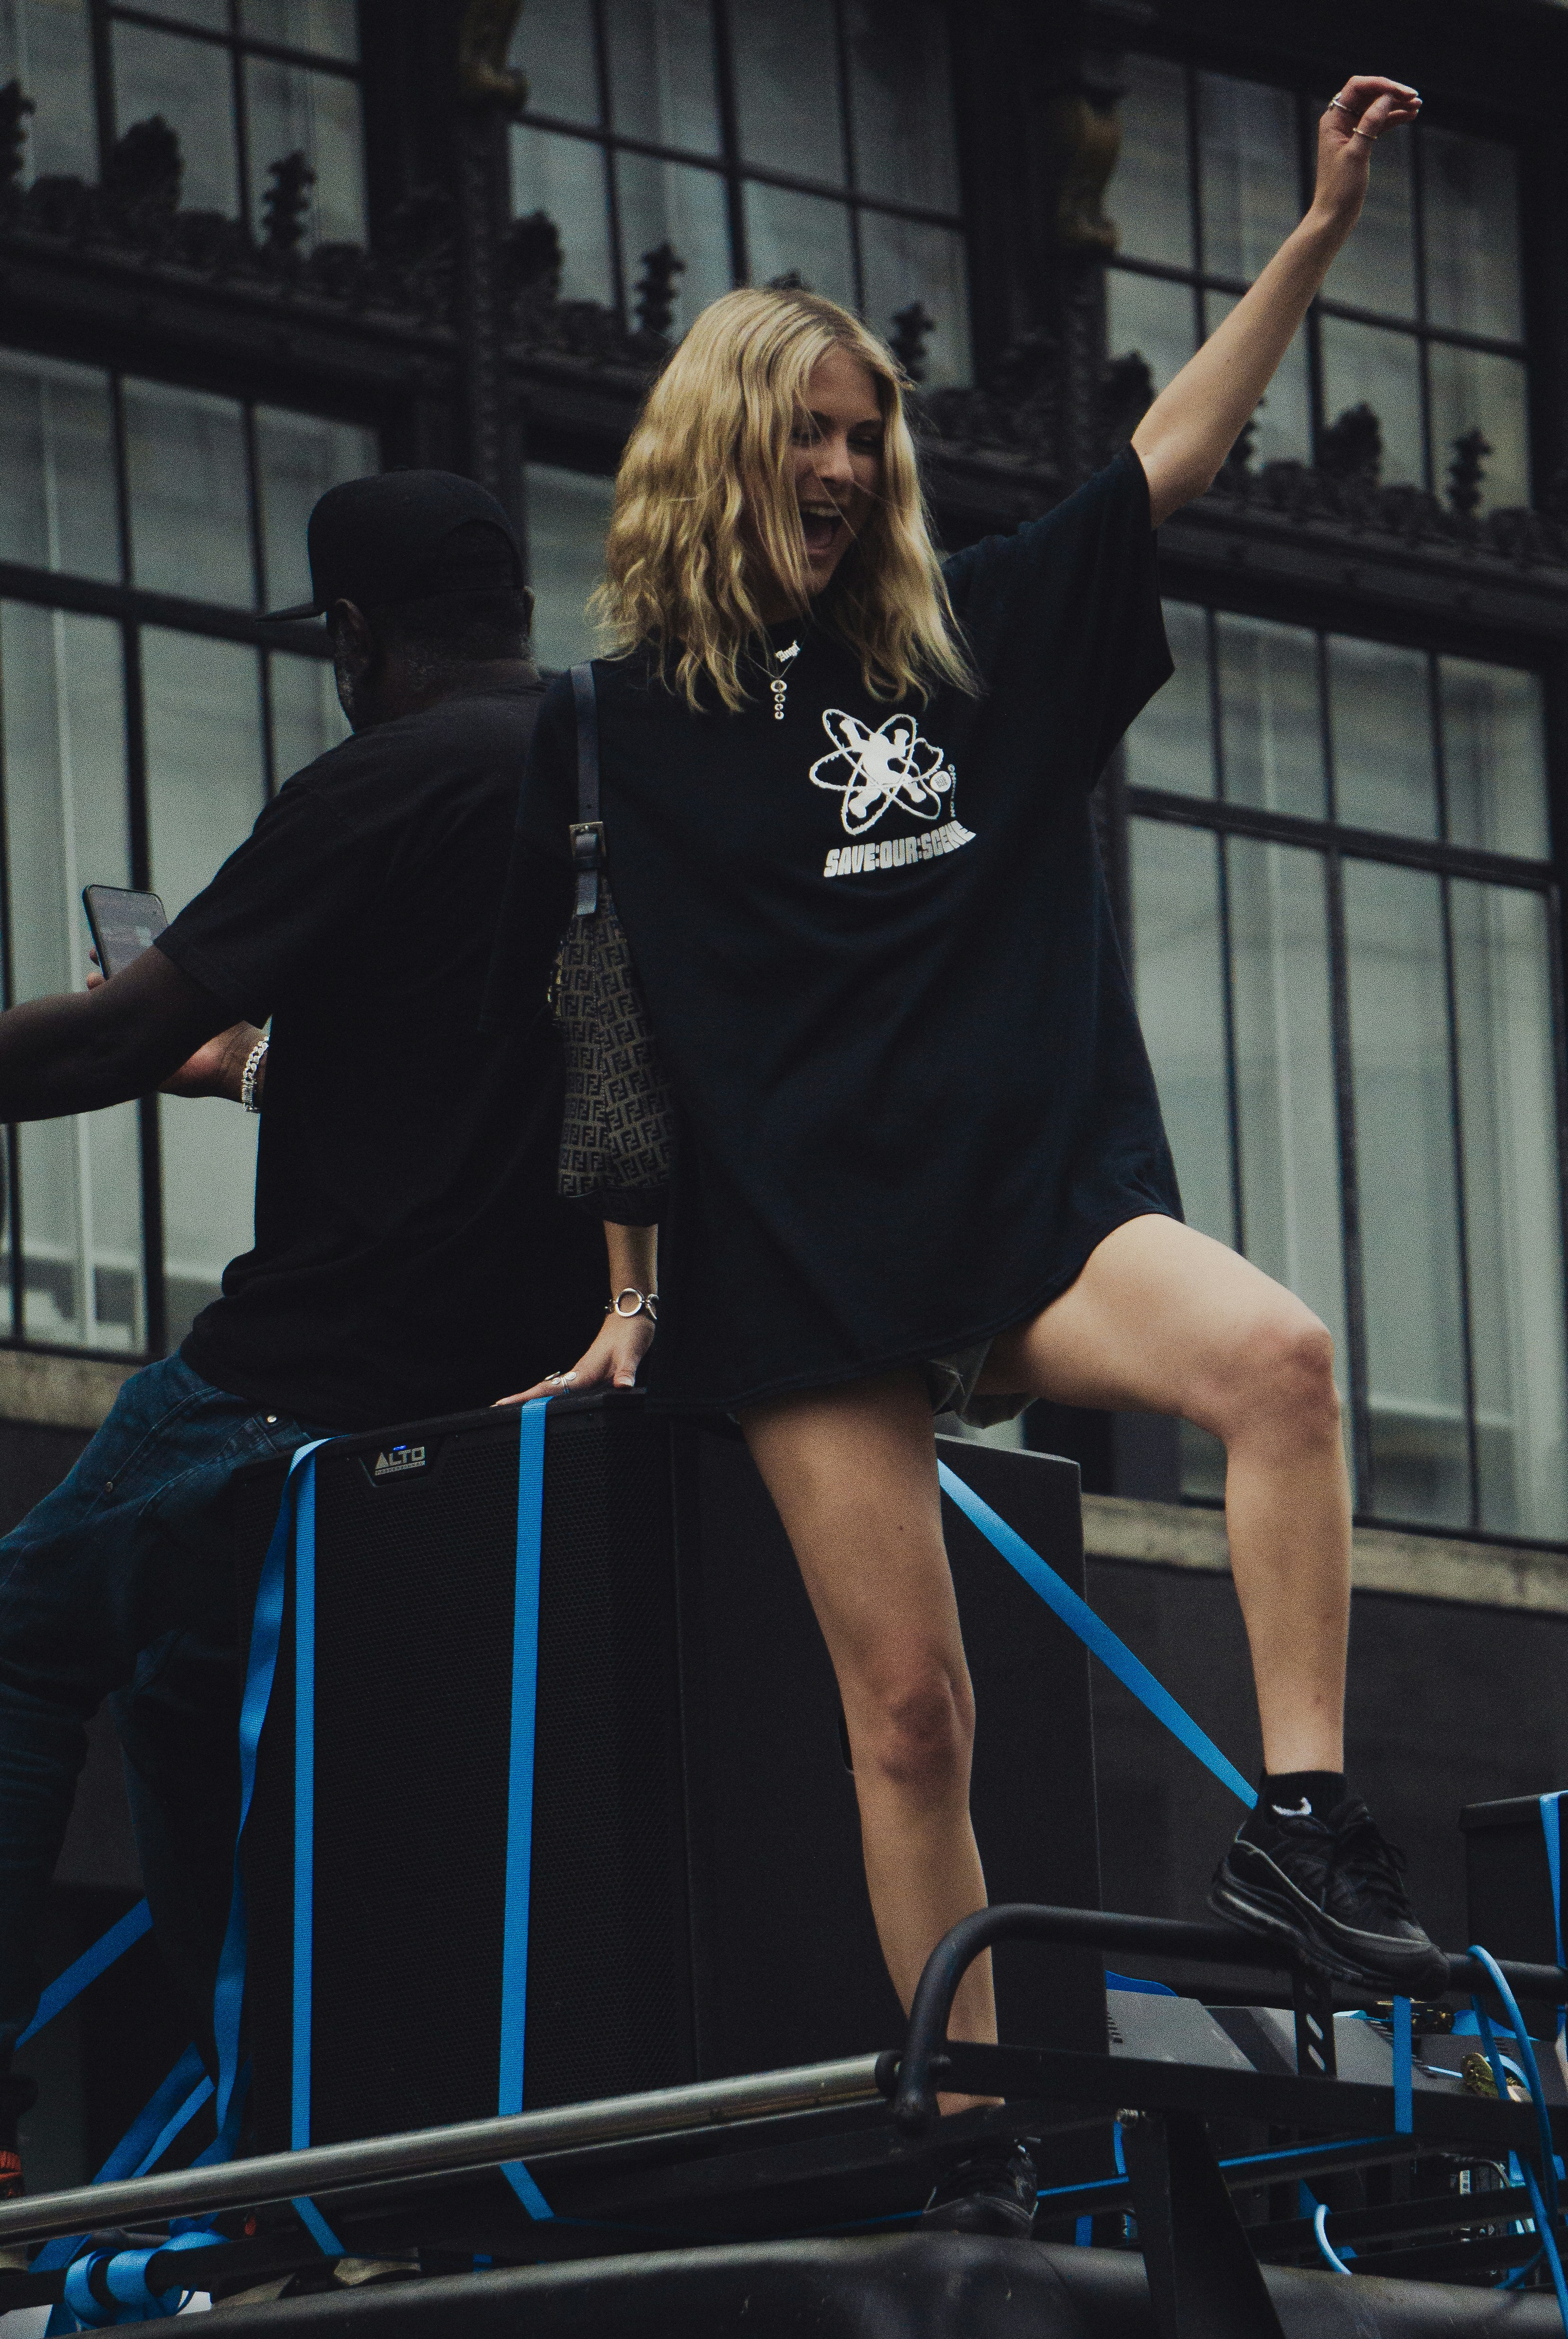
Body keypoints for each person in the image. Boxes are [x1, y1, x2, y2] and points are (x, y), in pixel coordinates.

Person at [494, 77, 1438, 2231]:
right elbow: (610, 1021)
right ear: (730, 448)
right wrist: (633, 1298)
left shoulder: (956, 649)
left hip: (1015, 1201)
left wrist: (1308, 243)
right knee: (912, 1713)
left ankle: (1303, 1817)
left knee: (1279, 1361)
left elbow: (1161, 467)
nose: (844, 467)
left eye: (867, 435)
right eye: (810, 432)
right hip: (804, 1262)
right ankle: (974, 2152)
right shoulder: (619, 728)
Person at [0, 471, 605, 2189]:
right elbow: (484, 1065)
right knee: (192, 1690)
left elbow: (97, 1049)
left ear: (355, 634)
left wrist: (147, 1028)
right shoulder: (612, 776)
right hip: (513, 1387)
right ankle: (272, 2147)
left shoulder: (377, 779)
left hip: (307, 1376)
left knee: (26, 1627)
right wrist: (262, 1062)